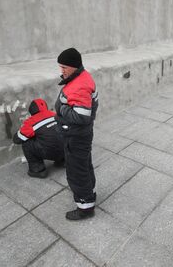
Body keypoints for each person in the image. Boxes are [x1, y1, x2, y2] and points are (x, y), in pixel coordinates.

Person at [55, 48, 99, 220]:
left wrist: (63, 108)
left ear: (74, 66)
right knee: (84, 165)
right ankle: (90, 192)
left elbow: (82, 116)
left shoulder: (79, 85)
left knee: (76, 170)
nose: (62, 71)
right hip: (82, 134)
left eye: (64, 67)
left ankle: (85, 206)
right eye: (60, 67)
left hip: (76, 135)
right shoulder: (83, 76)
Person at [12, 98, 64, 178]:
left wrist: (23, 128)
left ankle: (38, 170)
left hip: (49, 151)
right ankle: (63, 161)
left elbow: (17, 139)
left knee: (26, 142)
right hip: (66, 149)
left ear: (31, 110)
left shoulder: (31, 121)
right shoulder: (54, 114)